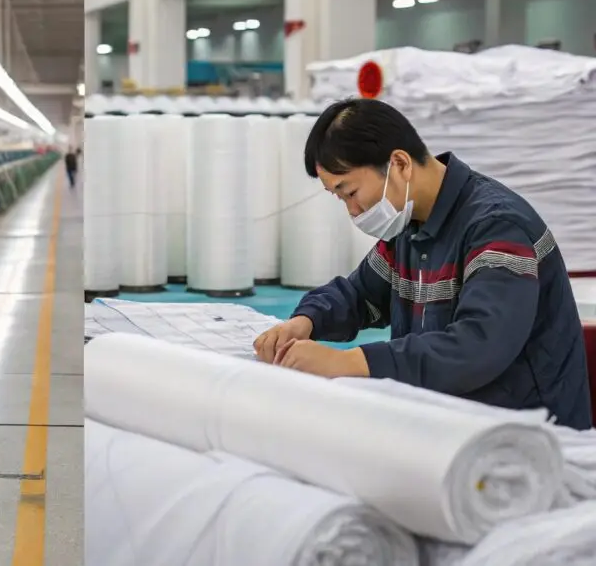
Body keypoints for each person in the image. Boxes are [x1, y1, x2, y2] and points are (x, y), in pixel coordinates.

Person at [253, 98, 592, 430]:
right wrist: (306, 321)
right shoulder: (411, 226)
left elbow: (477, 347)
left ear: (399, 165)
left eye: (351, 192)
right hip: (451, 419)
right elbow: (360, 295)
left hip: (529, 436)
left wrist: (349, 361)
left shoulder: (497, 227)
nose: (352, 212)